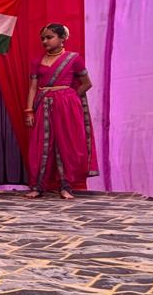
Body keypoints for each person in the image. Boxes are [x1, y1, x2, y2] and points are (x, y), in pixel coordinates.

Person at [24, 23, 98, 200]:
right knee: (41, 144)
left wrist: (70, 97)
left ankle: (66, 187)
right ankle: (37, 187)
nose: (45, 41)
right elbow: (33, 88)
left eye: (49, 37)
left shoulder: (74, 59)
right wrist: (29, 111)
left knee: (66, 144)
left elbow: (87, 83)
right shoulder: (37, 61)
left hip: (66, 106)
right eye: (43, 38)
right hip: (43, 105)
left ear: (62, 38)